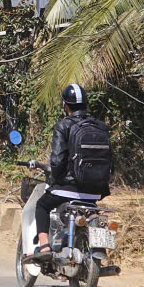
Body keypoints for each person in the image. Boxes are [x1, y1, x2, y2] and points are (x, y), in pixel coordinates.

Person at [35, 83, 114, 249]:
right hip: (96, 191)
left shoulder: (63, 125)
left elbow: (57, 161)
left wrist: (56, 178)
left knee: (41, 206)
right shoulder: (100, 126)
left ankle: (44, 246)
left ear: (65, 105)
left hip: (68, 188)